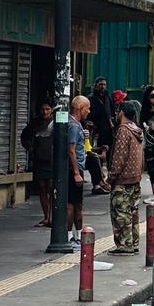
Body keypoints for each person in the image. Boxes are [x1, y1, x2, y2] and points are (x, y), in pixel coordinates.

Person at [105, 101, 144, 254]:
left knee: (120, 212)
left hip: (122, 180)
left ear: (121, 112)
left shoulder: (123, 130)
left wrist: (111, 178)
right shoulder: (137, 130)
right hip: (135, 178)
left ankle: (124, 244)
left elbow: (119, 157)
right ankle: (133, 243)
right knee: (133, 212)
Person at [21, 102, 55, 227]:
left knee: (51, 188)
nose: (45, 112)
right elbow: (24, 137)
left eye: (47, 109)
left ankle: (51, 216)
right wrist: (31, 149)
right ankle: (46, 216)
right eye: (43, 109)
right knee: (42, 188)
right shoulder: (34, 123)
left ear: (51, 110)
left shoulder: (55, 123)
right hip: (39, 159)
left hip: (52, 160)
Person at [65, 96, 89, 248]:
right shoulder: (73, 126)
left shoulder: (76, 124)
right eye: (87, 107)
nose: (89, 111)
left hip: (76, 167)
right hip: (74, 168)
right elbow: (71, 150)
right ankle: (72, 237)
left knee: (76, 204)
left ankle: (77, 235)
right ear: (80, 108)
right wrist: (76, 172)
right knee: (73, 205)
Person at [86, 77, 115, 166]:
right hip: (96, 129)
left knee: (108, 149)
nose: (102, 86)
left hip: (107, 129)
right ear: (96, 85)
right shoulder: (91, 98)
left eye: (104, 84)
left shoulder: (108, 97)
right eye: (100, 84)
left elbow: (112, 111)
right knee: (96, 150)